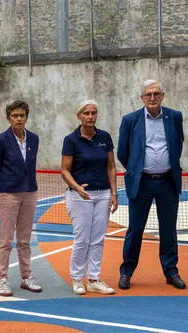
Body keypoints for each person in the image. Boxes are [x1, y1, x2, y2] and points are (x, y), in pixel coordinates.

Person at [117, 80, 185, 290]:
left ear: (163, 96)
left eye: (156, 94)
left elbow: (178, 144)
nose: (152, 98)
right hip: (142, 183)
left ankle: (171, 271)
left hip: (167, 182)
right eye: (148, 94)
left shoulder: (174, 117)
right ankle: (127, 271)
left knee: (168, 230)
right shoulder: (130, 120)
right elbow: (122, 152)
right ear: (142, 98)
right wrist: (137, 170)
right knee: (135, 230)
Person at [60, 100, 118, 295]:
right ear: (79, 116)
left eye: (93, 113)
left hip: (103, 194)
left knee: (98, 238)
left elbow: (111, 166)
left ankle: (93, 279)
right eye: (86, 113)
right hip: (79, 196)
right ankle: (77, 278)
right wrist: (77, 187)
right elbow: (64, 170)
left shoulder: (105, 137)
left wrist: (114, 193)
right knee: (82, 238)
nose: (90, 116)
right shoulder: (71, 140)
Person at [0, 99, 43, 296]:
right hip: (8, 194)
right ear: (8, 118)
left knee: (25, 240)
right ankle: (1, 279)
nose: (19, 119)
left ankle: (26, 277)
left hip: (30, 193)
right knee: (5, 240)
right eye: (15, 116)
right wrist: (2, 192)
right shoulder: (1, 140)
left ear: (26, 118)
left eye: (22, 116)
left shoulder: (34, 139)